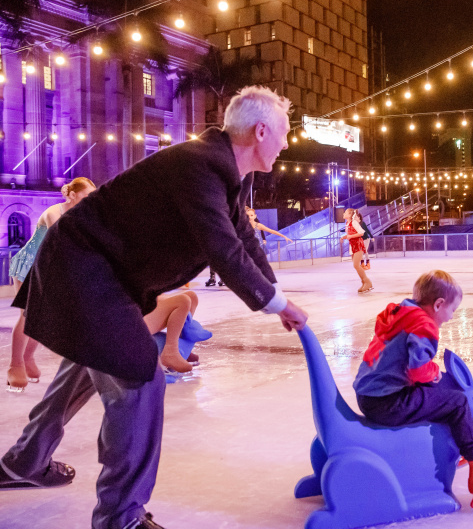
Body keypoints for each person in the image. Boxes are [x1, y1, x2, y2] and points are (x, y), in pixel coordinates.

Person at [0, 86, 309, 529]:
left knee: (91, 364)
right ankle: (119, 517)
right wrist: (274, 302)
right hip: (85, 268)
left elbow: (241, 233)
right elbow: (222, 247)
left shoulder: (227, 171)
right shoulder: (199, 164)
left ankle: (23, 462)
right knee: (139, 377)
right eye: (282, 135)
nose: (284, 145)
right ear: (261, 131)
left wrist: (276, 296)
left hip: (102, 273)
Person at [353, 270, 473, 509]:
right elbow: (418, 371)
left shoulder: (402, 312)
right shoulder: (424, 325)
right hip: (387, 402)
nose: (451, 317)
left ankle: (460, 445)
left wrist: (432, 373)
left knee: (443, 393)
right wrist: (433, 372)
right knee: (458, 403)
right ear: (439, 304)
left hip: (369, 393)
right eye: (452, 310)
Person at [6, 177, 96, 392]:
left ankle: (27, 359)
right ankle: (14, 365)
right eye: (86, 196)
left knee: (42, 316)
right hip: (29, 264)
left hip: (49, 268)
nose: (89, 201)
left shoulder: (80, 215)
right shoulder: (54, 211)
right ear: (73, 194)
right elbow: (62, 237)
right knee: (27, 313)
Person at [143, 291, 200, 374]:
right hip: (129, 320)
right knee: (183, 301)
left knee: (191, 296)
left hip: (139, 308)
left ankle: (181, 349)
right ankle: (170, 352)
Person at [341, 207, 372, 293]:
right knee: (356, 266)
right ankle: (364, 283)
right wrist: (344, 237)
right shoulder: (348, 223)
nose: (343, 214)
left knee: (356, 265)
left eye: (345, 213)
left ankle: (367, 282)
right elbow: (350, 234)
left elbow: (361, 232)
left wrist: (350, 236)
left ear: (350, 215)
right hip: (353, 245)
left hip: (358, 245)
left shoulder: (354, 222)